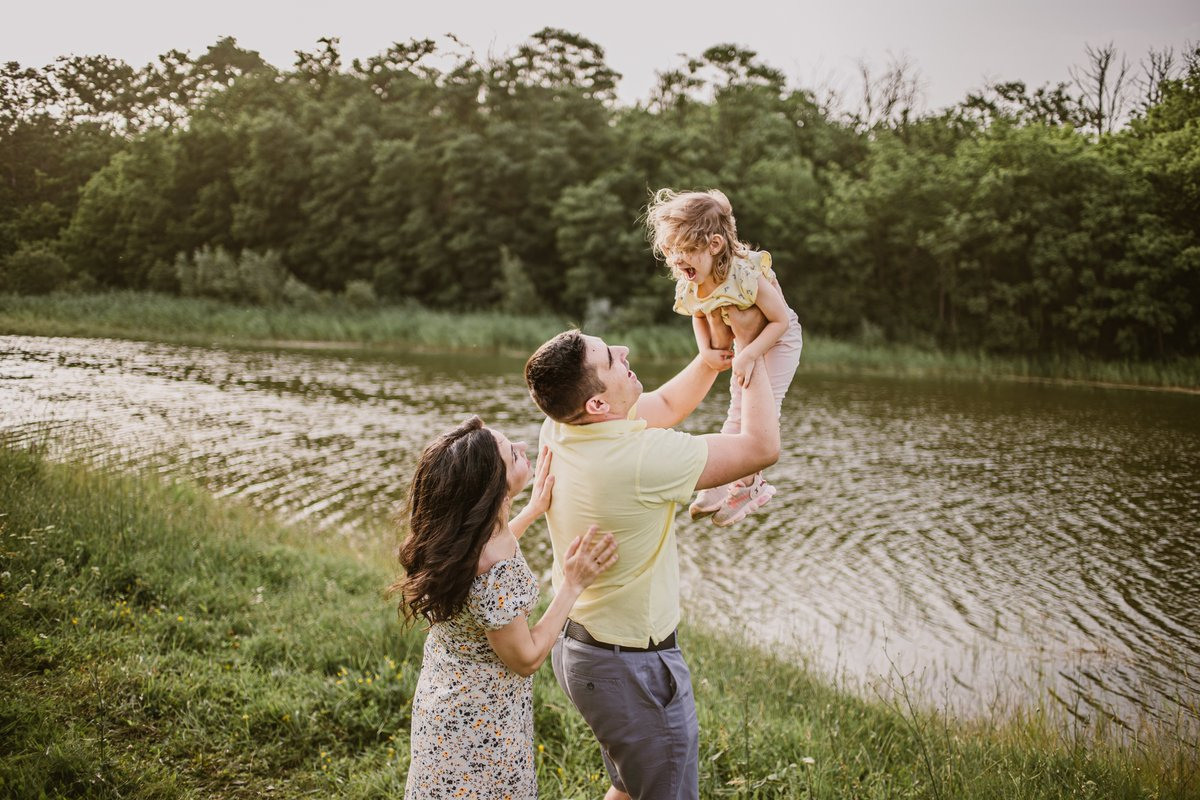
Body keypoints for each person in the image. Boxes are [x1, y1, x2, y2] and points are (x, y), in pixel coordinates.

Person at [523, 328, 781, 800]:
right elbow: (760, 448)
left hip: (581, 652)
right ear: (597, 404)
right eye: (610, 358)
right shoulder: (642, 461)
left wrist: (707, 363)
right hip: (632, 670)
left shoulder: (560, 422)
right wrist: (753, 345)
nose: (624, 350)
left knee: (628, 787)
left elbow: (661, 406)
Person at [392, 416, 618, 800]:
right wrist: (572, 583)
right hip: (481, 727)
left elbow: (487, 554)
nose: (524, 450)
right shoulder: (493, 568)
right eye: (513, 454)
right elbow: (526, 657)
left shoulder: (459, 540)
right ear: (491, 487)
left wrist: (530, 510)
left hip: (444, 703)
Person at [646, 188, 804, 526]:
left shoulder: (745, 275)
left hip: (778, 341)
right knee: (738, 408)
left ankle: (750, 485)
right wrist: (705, 351)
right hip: (747, 345)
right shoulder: (691, 281)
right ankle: (721, 483)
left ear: (714, 245)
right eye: (671, 250)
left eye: (686, 250)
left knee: (762, 408)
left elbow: (781, 320)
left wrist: (750, 354)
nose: (676, 260)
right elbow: (698, 314)